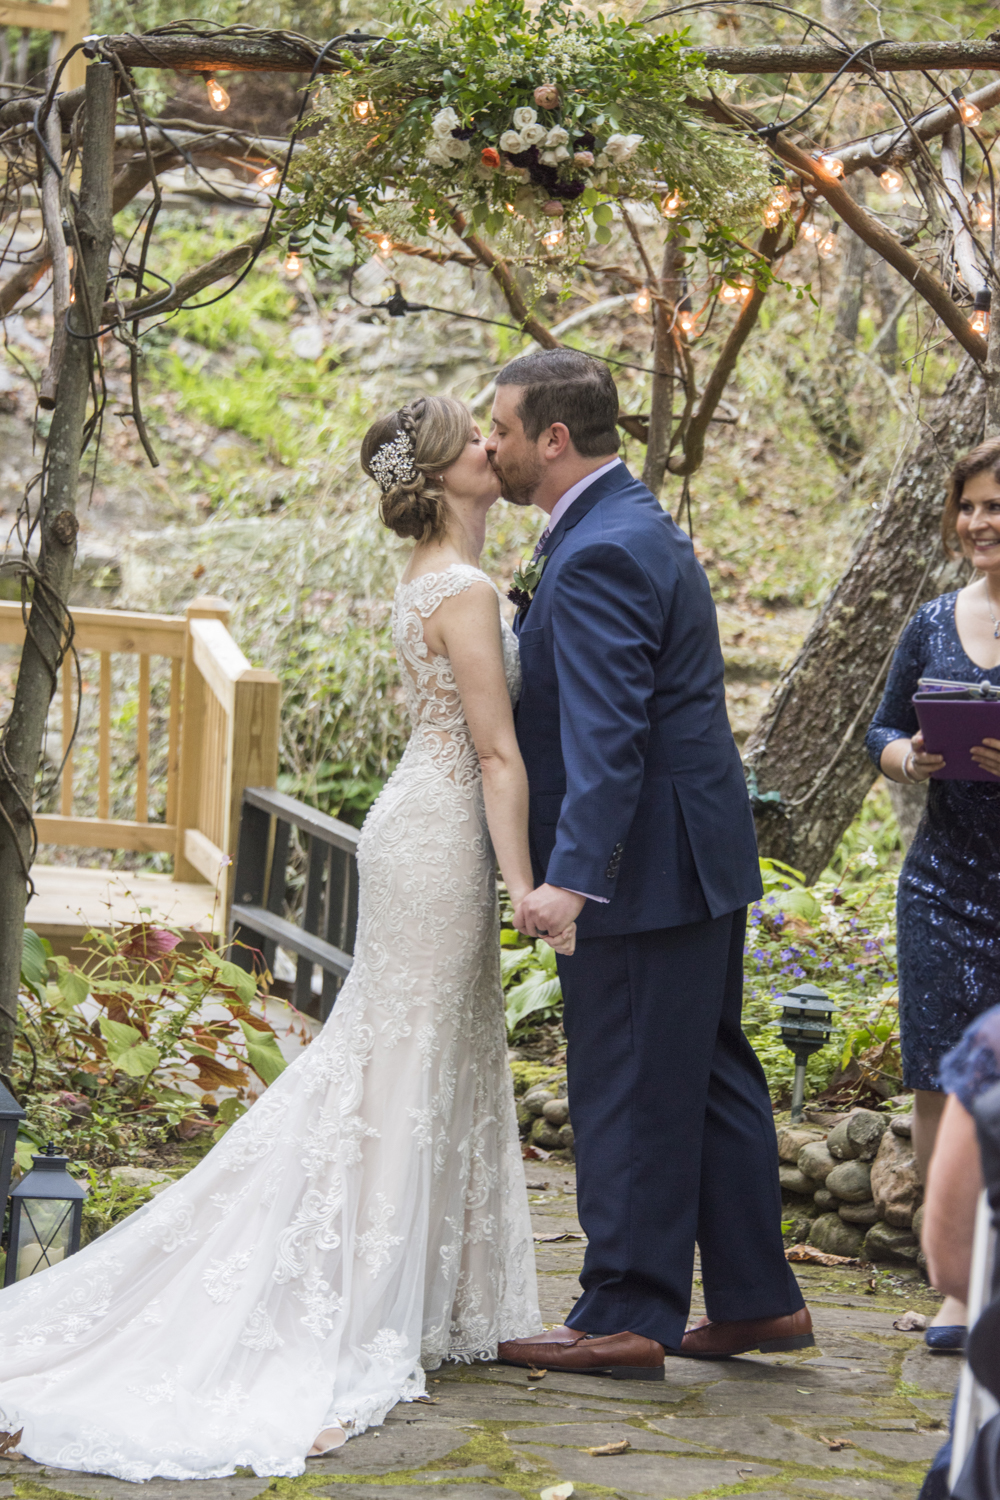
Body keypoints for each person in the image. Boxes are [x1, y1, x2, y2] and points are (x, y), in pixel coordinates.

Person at [0, 395, 567, 1480]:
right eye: (477, 443)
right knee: (400, 1054)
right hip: (441, 837)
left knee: (408, 1049)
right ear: (447, 474)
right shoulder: (466, 588)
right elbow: (498, 757)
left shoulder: (430, 581)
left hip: (416, 824)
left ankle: (429, 1291)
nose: (495, 451)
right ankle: (365, 1289)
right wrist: (528, 883)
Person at [485, 349, 811, 1376]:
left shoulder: (598, 553)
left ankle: (623, 1313)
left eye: (499, 428)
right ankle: (759, 1300)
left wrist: (574, 876)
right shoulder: (628, 524)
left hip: (643, 867)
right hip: (695, 854)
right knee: (710, 1079)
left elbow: (608, 736)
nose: (486, 445)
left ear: (552, 439)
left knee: (627, 1078)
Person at [866, 436, 1000, 1353]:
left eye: (996, 506)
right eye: (969, 506)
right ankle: (953, 1291)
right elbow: (880, 726)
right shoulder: (932, 622)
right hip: (943, 885)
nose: (979, 522)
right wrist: (909, 755)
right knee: (938, 1082)